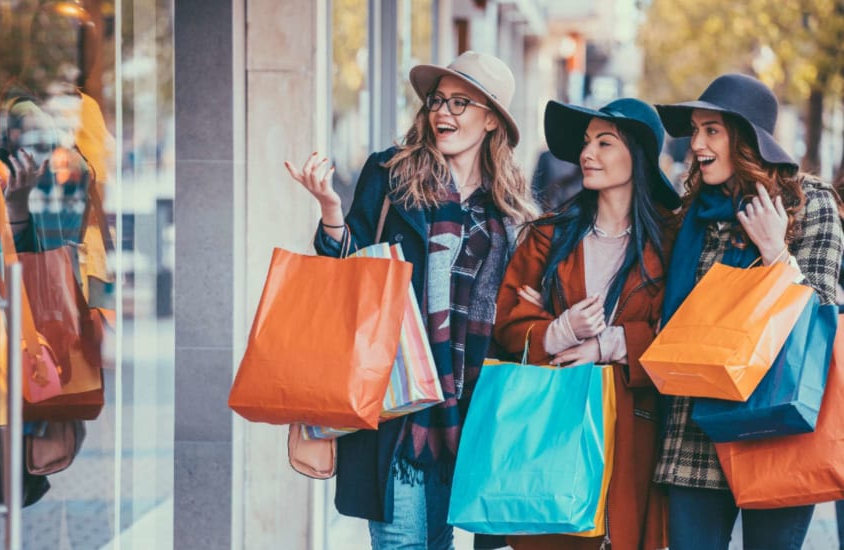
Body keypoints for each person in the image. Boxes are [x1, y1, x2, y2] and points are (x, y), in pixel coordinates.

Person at [285, 50, 539, 549]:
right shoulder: (392, 175)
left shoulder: (509, 210)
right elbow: (350, 270)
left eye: (461, 103)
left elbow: (512, 311)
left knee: (440, 543)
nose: (443, 113)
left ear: (492, 120)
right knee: (402, 542)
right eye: (437, 101)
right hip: (397, 399)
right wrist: (331, 211)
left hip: (469, 408)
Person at [652, 73, 844, 550]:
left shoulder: (809, 202)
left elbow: (823, 309)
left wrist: (776, 252)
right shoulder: (691, 211)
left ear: (746, 139)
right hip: (695, 424)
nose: (696, 143)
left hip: (775, 423)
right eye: (695, 130)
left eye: (711, 130)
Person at [492, 98, 680, 550]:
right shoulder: (548, 234)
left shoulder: (672, 242)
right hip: (554, 425)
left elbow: (681, 333)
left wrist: (609, 343)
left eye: (604, 142)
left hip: (635, 431)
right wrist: (559, 330)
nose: (587, 154)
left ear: (637, 155)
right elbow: (506, 320)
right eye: (585, 143)